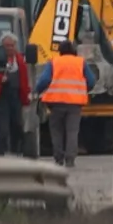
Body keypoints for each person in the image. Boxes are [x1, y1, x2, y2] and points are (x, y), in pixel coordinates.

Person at [33, 39, 97, 167]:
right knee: (72, 131)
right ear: (74, 51)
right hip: (75, 103)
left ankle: (58, 158)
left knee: (57, 131)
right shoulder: (81, 62)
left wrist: (37, 90)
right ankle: (70, 159)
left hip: (56, 102)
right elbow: (91, 81)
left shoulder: (54, 62)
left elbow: (44, 79)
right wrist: (83, 90)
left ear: (60, 51)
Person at [0, 32, 30, 156]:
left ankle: (15, 150)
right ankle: (0, 152)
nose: (10, 48)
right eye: (7, 46)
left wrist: (26, 95)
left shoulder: (20, 60)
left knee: (17, 123)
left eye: (12, 45)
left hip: (16, 95)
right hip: (1, 96)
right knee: (1, 127)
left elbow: (24, 79)